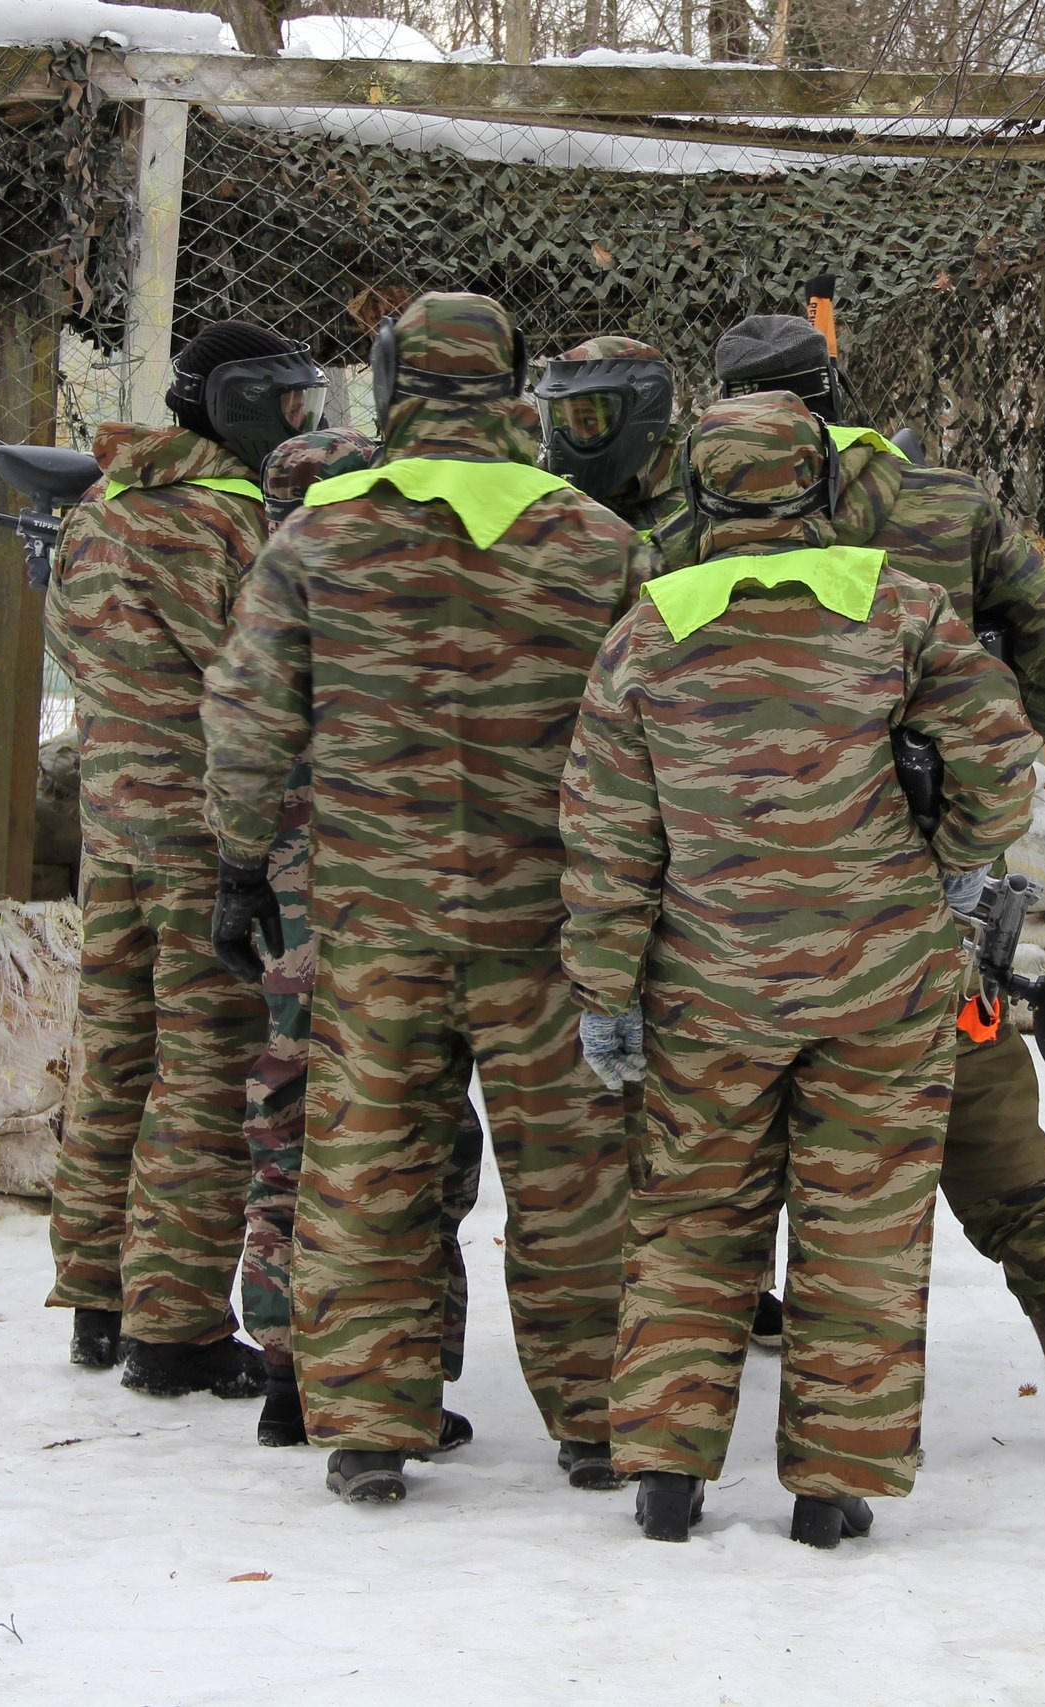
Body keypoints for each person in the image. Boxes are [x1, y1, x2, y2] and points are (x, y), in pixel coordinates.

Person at [560, 391, 1043, 1546]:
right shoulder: (903, 611)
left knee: (687, 1220)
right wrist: (958, 873)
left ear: (699, 497)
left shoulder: (646, 630)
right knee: (863, 1226)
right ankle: (834, 1490)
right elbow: (1001, 759)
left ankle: (667, 1479)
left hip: (707, 984)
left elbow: (605, 833)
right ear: (819, 493)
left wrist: (606, 990)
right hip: (884, 977)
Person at [673, 311, 1045, 1444]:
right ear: (835, 389)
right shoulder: (947, 505)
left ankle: (707, 1368)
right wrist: (977, 780)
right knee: (989, 1132)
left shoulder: (695, 526)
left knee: (730, 1140)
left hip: (748, 901)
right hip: (933, 896)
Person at [203, 291, 642, 1505]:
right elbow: (644, 730)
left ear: (393, 386)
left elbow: (248, 718)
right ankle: (601, 1420)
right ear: (514, 388)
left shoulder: (318, 538)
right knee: (575, 1172)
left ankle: (365, 1424)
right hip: (546, 925)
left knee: (368, 1165)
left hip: (372, 915)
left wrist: (242, 865)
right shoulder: (596, 540)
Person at [44, 317, 327, 1399]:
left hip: (112, 827)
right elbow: (262, 678)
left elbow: (74, 647)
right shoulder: (232, 521)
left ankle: (99, 1295)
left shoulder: (101, 503)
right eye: (289, 401)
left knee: (114, 1052)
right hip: (210, 836)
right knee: (207, 1068)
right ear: (240, 404)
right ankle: (175, 1331)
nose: (300, 420)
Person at [231, 428, 481, 1457]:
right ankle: (393, 1377)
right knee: (410, 1140)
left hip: (297, 906)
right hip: (388, 907)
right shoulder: (393, 599)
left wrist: (235, 868)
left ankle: (290, 1367)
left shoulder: (265, 606)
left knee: (294, 1118)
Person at [532, 336, 683, 540]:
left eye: (587, 421)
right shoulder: (538, 504)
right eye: (560, 422)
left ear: (643, 418)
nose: (565, 439)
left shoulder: (696, 506)